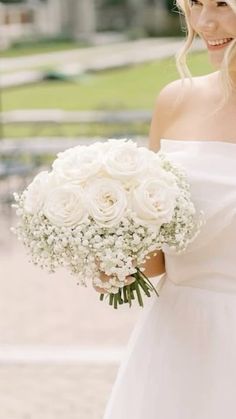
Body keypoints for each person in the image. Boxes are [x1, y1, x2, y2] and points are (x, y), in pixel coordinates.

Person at [95, 0, 236, 417]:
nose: (205, 21)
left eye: (223, 5)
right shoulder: (176, 101)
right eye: (195, 3)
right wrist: (117, 263)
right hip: (178, 342)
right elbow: (158, 253)